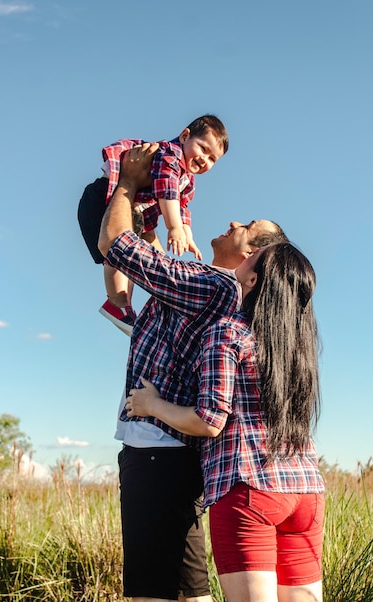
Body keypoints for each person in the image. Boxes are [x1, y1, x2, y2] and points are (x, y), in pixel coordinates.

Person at [97, 143, 289, 602]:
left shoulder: (214, 285)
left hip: (157, 448)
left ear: (254, 255)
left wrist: (126, 182)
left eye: (245, 228)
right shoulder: (214, 288)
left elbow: (115, 246)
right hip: (176, 454)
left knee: (150, 589)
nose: (232, 224)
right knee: (190, 589)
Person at [127, 242, 325, 602]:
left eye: (256, 254)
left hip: (249, 487)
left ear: (252, 278)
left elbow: (209, 420)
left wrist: (152, 405)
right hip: (306, 490)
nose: (248, 251)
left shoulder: (228, 332)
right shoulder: (298, 344)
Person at [78, 114, 228, 336]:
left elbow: (183, 206)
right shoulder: (171, 156)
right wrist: (173, 227)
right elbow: (168, 192)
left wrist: (187, 234)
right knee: (118, 254)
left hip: (133, 210)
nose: (205, 159)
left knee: (133, 257)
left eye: (212, 158)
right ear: (185, 136)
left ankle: (125, 305)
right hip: (102, 200)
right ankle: (117, 303)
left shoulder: (187, 178)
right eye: (203, 149)